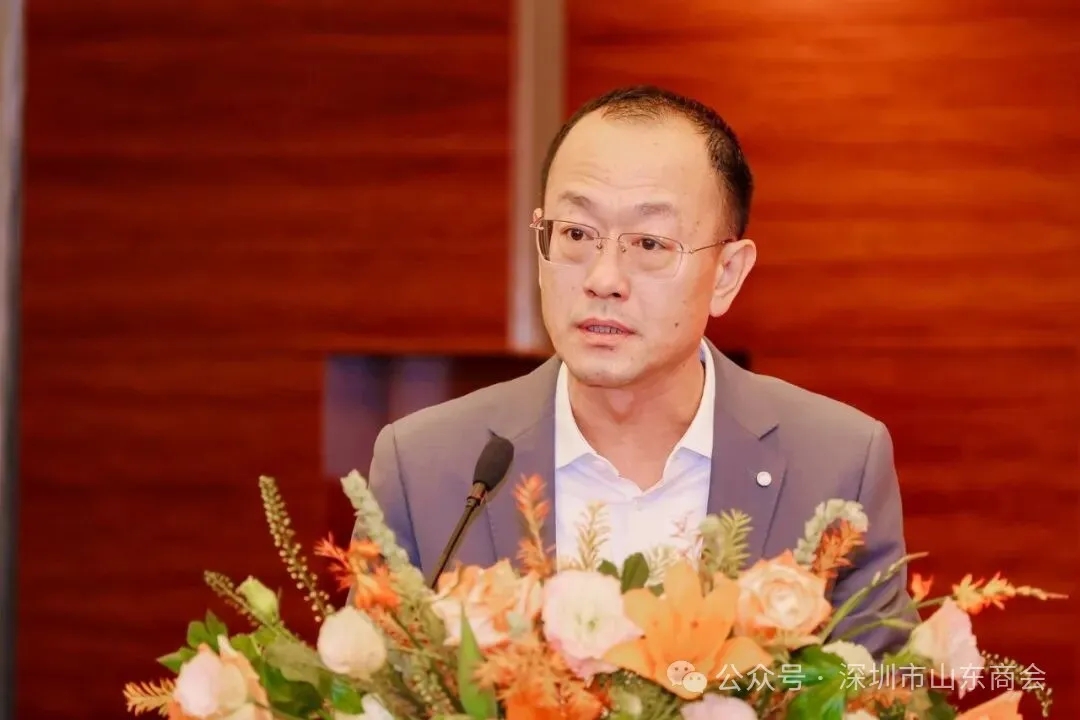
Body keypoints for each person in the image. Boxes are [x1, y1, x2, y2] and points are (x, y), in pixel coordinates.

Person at [359, 85, 915, 657]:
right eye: (576, 234)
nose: (603, 279)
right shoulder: (423, 467)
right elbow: (373, 692)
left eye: (649, 243)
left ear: (726, 274)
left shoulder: (837, 465)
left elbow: (880, 689)